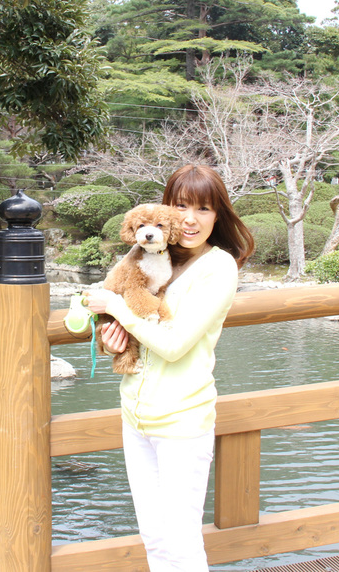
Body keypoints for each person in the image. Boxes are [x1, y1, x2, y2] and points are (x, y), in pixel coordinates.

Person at [86, 164, 254, 572]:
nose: (191, 219)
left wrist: (121, 312)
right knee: (154, 538)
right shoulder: (148, 253)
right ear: (167, 209)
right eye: (182, 206)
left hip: (182, 420)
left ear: (219, 215)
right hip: (136, 416)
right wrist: (111, 335)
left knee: (180, 542)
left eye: (205, 208)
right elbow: (114, 303)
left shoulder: (218, 267)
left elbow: (176, 345)